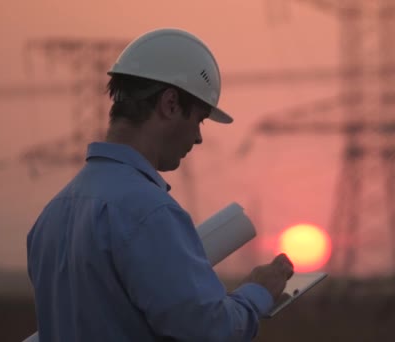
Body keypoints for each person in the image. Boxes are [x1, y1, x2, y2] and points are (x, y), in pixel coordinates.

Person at [26, 28, 294, 342]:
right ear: (169, 103)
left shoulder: (52, 215)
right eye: (199, 119)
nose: (197, 137)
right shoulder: (148, 212)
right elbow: (212, 332)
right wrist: (257, 294)